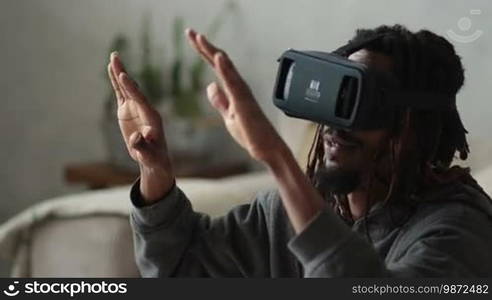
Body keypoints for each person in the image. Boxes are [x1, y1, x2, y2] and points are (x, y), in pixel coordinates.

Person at [106, 24, 492, 277]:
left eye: (362, 103)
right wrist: (155, 170)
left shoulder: (458, 231)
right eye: (337, 99)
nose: (338, 126)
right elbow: (182, 269)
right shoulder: (291, 212)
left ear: (413, 127)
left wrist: (276, 156)